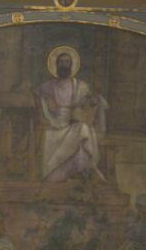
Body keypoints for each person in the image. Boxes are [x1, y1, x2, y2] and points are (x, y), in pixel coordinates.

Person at [36, 45, 108, 182]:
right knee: (74, 132)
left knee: (83, 130)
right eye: (61, 62)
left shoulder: (81, 86)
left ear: (71, 65)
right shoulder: (47, 86)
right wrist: (46, 102)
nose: (64, 64)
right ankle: (57, 175)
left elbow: (89, 103)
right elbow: (37, 97)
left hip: (74, 121)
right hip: (54, 122)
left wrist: (92, 101)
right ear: (56, 65)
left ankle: (81, 171)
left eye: (67, 62)